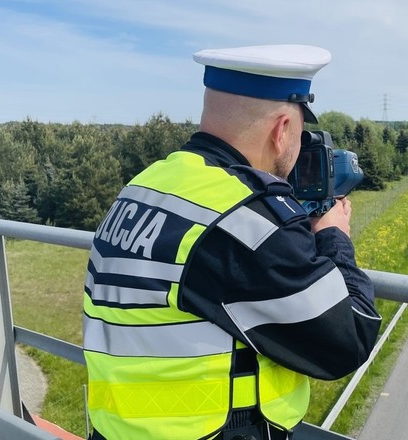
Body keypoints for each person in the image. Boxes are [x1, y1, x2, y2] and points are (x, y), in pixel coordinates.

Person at [82, 44, 382, 440]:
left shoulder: (142, 188)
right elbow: (350, 335)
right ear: (282, 130)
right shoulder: (243, 216)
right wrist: (332, 235)